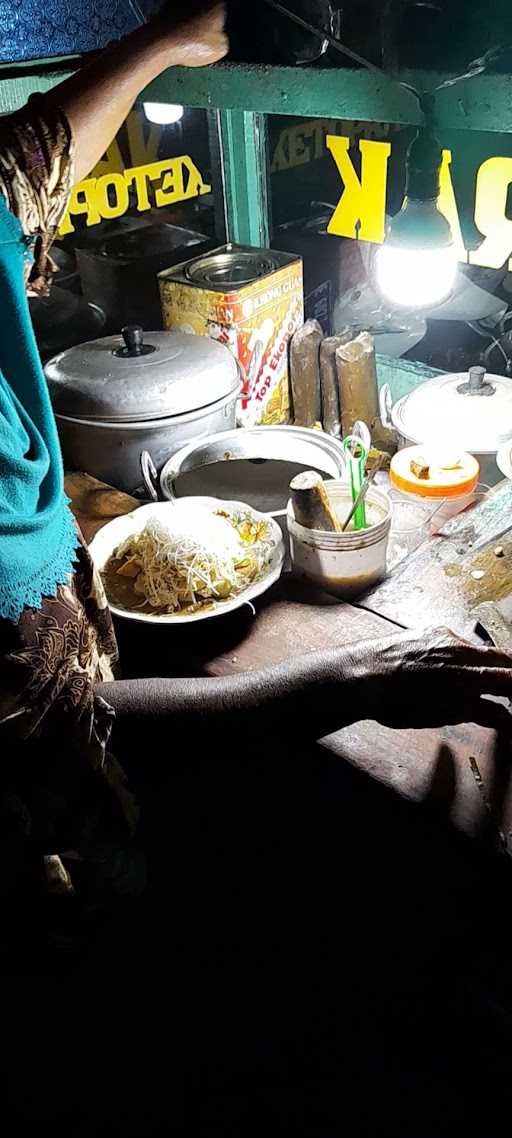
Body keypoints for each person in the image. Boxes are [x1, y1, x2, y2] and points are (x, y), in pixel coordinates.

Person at [0, 1, 511, 907]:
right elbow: (56, 728)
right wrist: (348, 678)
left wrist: (164, 43)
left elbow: (27, 164)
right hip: (40, 846)